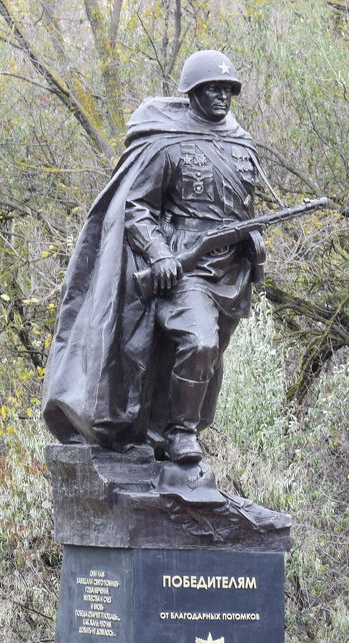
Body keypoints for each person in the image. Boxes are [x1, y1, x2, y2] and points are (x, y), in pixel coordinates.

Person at [42, 50, 264, 466]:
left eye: (227, 89)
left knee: (207, 359)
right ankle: (182, 436)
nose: (221, 97)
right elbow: (137, 206)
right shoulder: (166, 141)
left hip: (231, 274)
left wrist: (254, 239)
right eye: (212, 89)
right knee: (199, 341)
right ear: (193, 92)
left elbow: (244, 206)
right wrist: (159, 253)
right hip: (185, 265)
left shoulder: (241, 144)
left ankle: (166, 433)